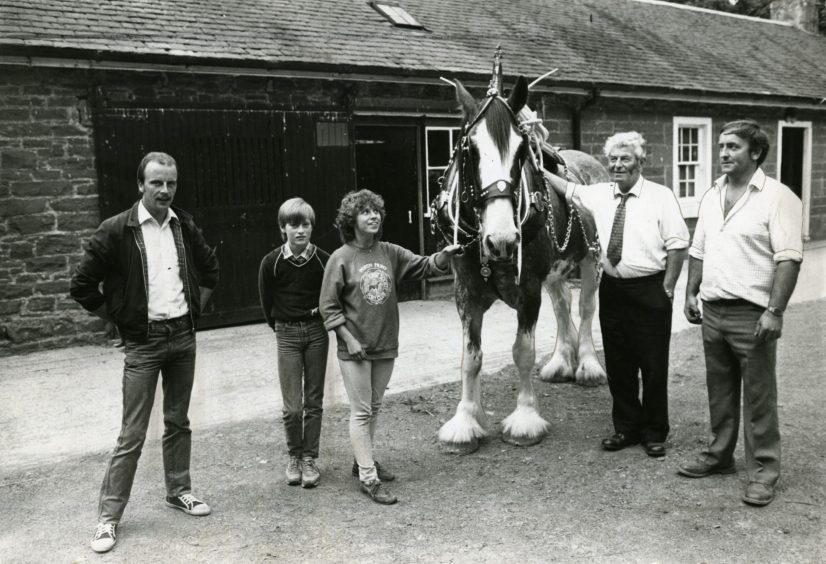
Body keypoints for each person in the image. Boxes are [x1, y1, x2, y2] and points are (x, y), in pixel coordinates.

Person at [70, 152, 220, 553]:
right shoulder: (116, 229)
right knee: (132, 434)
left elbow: (210, 269)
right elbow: (82, 286)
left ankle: (179, 491)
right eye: (156, 182)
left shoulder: (183, 225)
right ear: (141, 185)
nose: (165, 190)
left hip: (182, 338)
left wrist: (195, 311)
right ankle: (108, 519)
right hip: (143, 342)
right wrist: (120, 319)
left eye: (171, 182)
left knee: (178, 421)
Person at [678, 120, 803, 507]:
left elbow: (789, 259)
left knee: (759, 397)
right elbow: (698, 249)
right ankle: (719, 457)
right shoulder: (712, 194)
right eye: (720, 147)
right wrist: (691, 292)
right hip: (713, 310)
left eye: (732, 147)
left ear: (756, 152)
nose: (723, 154)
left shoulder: (779, 198)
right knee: (720, 390)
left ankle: (764, 473)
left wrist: (775, 311)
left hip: (753, 314)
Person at [545, 132, 689, 457]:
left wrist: (667, 288)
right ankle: (625, 428)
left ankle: (654, 432)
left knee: (653, 367)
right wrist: (539, 170)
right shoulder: (600, 194)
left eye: (625, 158)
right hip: (613, 289)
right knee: (619, 365)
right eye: (613, 159)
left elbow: (679, 244)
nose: (617, 165)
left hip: (650, 289)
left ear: (641, 161)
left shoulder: (661, 196)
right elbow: (568, 189)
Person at [319, 189, 461, 504]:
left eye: (376, 211)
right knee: (361, 411)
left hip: (385, 345)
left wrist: (444, 257)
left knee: (375, 407)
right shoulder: (340, 258)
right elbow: (329, 307)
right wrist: (349, 339)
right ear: (351, 220)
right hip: (355, 348)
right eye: (365, 211)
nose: (373, 216)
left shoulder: (389, 252)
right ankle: (369, 479)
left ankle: (362, 462)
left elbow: (424, 266)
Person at [258, 197, 330, 489]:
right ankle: (294, 457)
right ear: (282, 228)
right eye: (293, 225)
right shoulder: (271, 263)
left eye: (306, 224)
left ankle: (310, 459)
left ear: (312, 227)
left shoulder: (324, 260)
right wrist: (282, 327)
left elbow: (331, 298)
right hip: (287, 334)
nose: (300, 230)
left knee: (313, 402)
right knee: (292, 407)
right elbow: (266, 303)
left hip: (316, 333)